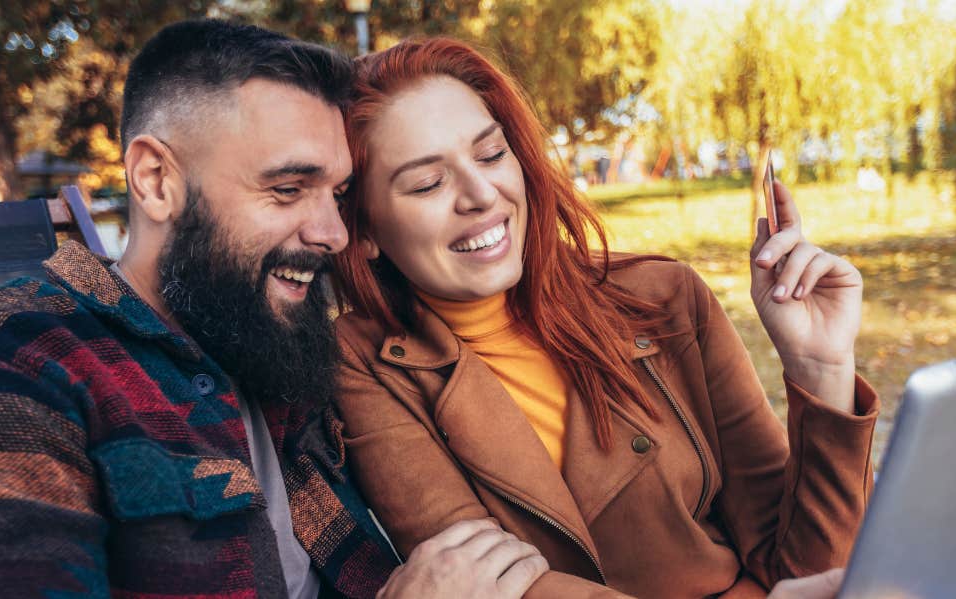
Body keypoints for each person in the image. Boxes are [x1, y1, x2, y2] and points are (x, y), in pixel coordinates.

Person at [0, 21, 550, 598]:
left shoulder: (271, 348)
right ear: (155, 181)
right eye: (288, 189)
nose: (332, 232)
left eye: (335, 193)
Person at [331, 37, 879, 598]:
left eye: (492, 155)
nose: (480, 195)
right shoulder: (363, 364)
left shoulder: (664, 296)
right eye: (428, 183)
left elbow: (806, 569)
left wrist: (821, 369)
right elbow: (490, 589)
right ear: (365, 229)